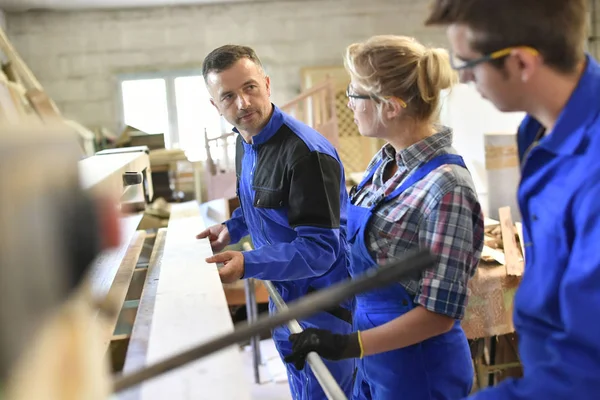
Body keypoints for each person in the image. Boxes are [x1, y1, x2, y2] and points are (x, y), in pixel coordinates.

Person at [284, 35, 484, 399]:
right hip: (374, 354)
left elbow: (439, 315)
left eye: (355, 93)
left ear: (390, 106)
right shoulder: (386, 160)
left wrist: (349, 346)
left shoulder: (447, 187)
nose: (349, 102)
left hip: (419, 371)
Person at [424, 0, 600, 399]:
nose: (464, 79)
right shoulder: (536, 132)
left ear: (521, 63)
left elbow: (588, 372)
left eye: (468, 62)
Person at [196, 44, 354, 399]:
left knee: (324, 391)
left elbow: (320, 250)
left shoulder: (306, 154)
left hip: (324, 307)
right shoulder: (245, 141)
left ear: (266, 84)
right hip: (285, 296)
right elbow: (262, 207)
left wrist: (247, 263)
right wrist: (232, 228)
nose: (243, 104)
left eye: (250, 87)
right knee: (300, 388)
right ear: (215, 106)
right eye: (228, 96)